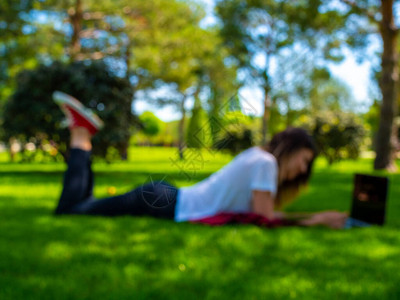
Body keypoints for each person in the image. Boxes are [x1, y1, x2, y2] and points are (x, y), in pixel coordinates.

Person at [53, 91, 347, 229]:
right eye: (304, 160)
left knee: (84, 206)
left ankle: (82, 135)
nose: (303, 169)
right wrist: (316, 220)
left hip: (165, 198)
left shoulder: (259, 158)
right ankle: (81, 136)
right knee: (70, 212)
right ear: (289, 149)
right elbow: (264, 219)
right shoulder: (266, 164)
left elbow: (264, 213)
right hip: (167, 203)